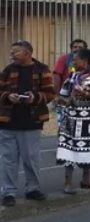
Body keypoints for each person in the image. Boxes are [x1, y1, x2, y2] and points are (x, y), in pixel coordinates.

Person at [0, 41, 55, 207]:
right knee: (8, 160)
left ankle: (33, 189)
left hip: (32, 122)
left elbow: (50, 93)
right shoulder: (8, 70)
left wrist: (35, 98)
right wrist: (8, 96)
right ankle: (8, 192)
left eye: (15, 52)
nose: (11, 55)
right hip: (8, 122)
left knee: (31, 158)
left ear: (27, 53)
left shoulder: (42, 70)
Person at [56, 48, 90, 194]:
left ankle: (86, 180)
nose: (72, 62)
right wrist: (62, 100)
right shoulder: (74, 75)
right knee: (68, 148)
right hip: (71, 118)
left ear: (85, 60)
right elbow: (64, 95)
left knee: (89, 148)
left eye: (75, 60)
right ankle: (67, 182)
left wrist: (85, 93)